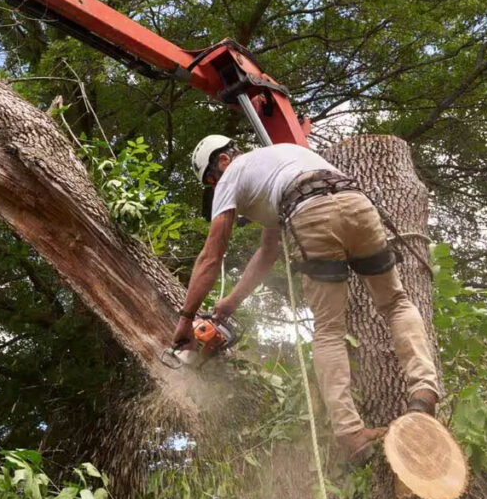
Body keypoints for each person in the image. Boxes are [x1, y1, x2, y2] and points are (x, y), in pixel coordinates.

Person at [172, 135, 442, 464]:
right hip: (357, 203)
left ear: (223, 161)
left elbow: (211, 256)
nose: (216, 188)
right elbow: (267, 252)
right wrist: (231, 302)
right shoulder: (280, 161)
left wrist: (185, 321)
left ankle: (350, 433)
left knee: (329, 328)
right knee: (396, 302)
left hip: (311, 213)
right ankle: (425, 390)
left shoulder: (232, 174)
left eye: (211, 181)